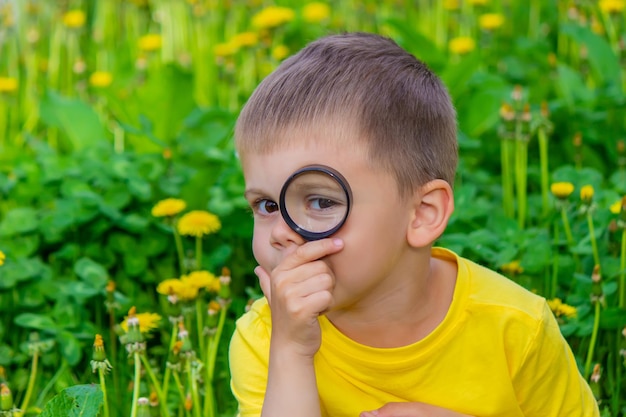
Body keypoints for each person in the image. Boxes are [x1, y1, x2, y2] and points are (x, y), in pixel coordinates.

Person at [228, 32, 599, 417]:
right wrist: (292, 352)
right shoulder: (267, 338)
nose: (280, 231)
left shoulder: (517, 329)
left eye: (321, 202)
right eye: (267, 205)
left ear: (422, 213)